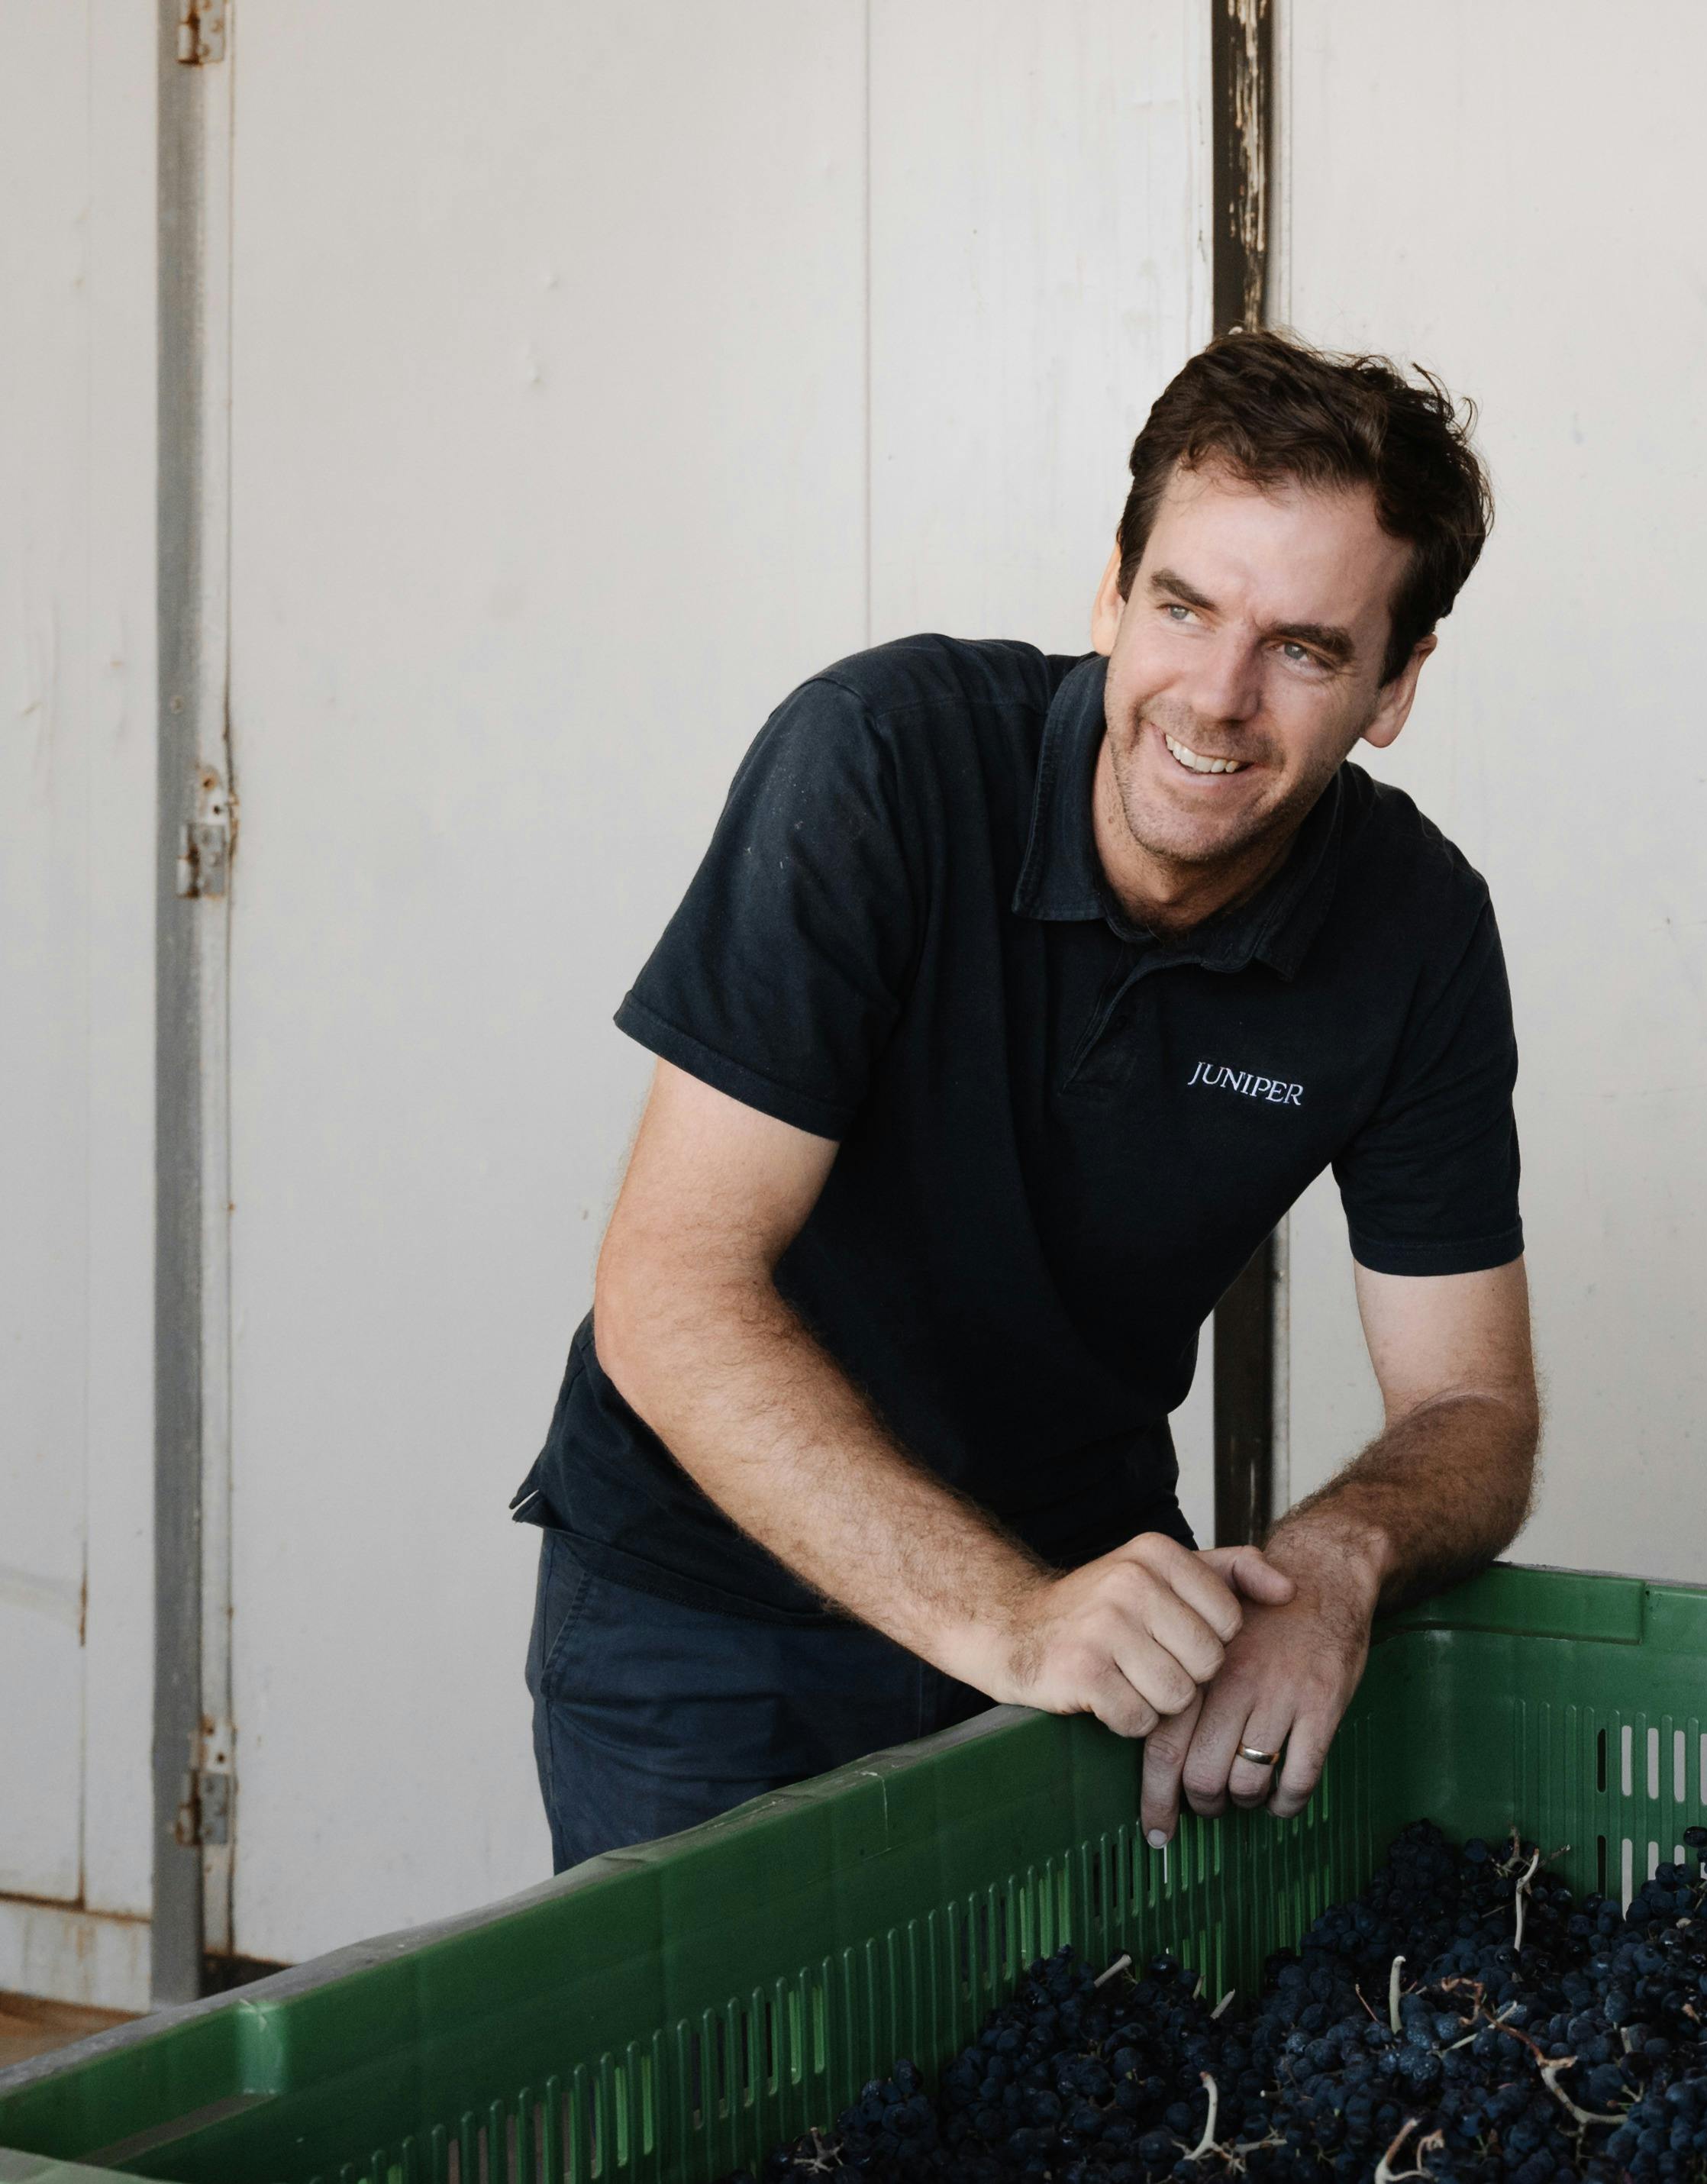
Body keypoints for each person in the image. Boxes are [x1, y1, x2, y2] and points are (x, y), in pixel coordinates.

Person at [512, 331, 1539, 1869]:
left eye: (1304, 649)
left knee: (1089, 2038)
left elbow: (1472, 1406)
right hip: (713, 1612)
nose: (1217, 697)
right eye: (1182, 607)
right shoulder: (880, 760)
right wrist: (1004, 1620)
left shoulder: (1416, 929)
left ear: (1394, 686)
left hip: (1088, 1608)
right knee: (734, 2043)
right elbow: (669, 1290)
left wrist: (1332, 1563)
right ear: (1110, 592)